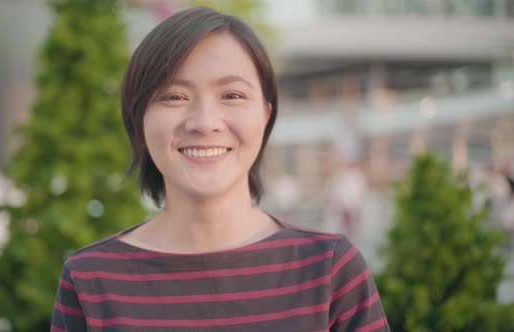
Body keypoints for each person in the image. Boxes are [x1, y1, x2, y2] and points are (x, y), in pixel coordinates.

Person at [51, 7, 389, 332]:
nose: (205, 122)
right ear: (139, 118)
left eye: (231, 94)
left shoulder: (330, 270)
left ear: (266, 114)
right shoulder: (90, 281)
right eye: (174, 96)